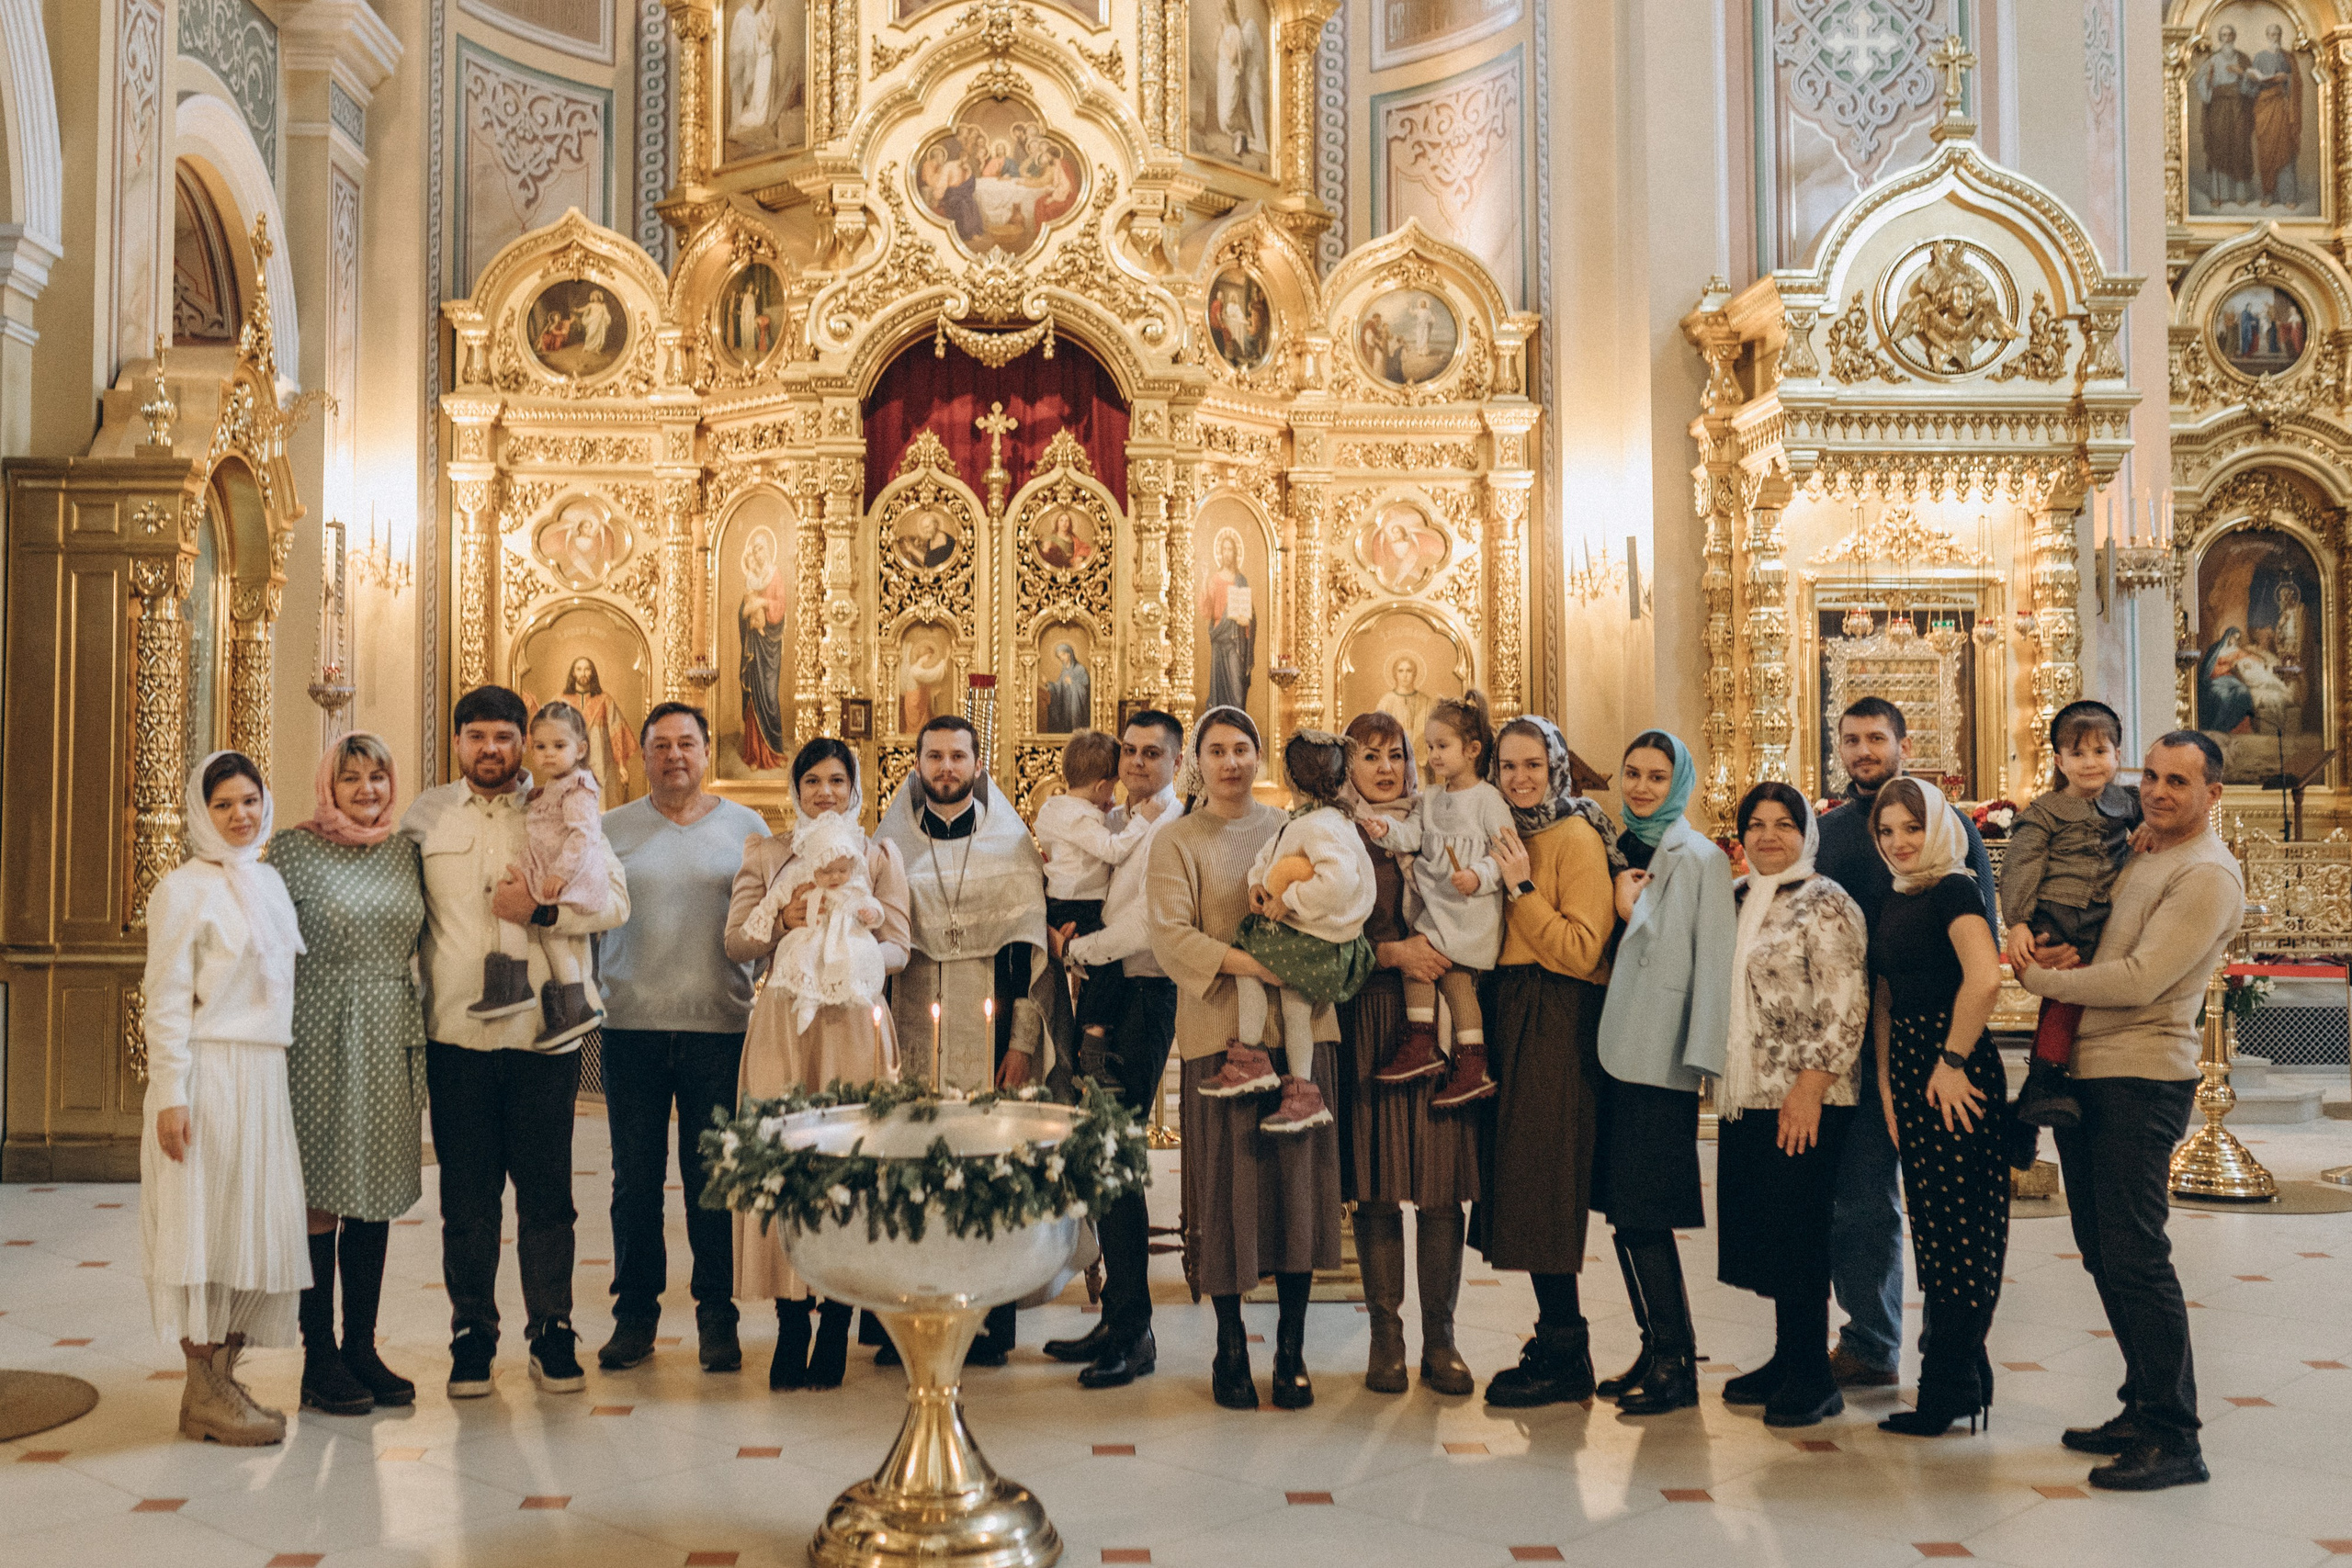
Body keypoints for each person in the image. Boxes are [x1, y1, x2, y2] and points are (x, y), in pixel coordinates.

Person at [2017, 731, 2245, 1492]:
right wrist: (2058, 962)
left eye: (2179, 781)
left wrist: (2039, 983)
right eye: (2150, 775)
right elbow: (2098, 940)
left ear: (2213, 794)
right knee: (2102, 1247)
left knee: (2136, 1253)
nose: (2157, 790)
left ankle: (2176, 1435)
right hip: (2093, 1067)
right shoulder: (2144, 850)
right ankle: (2141, 1403)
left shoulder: (2208, 873)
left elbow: (2143, 978)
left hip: (2142, 1076)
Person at [403, 684, 631, 1399]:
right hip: (458, 1037)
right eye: (478, 736)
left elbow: (615, 902)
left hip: (543, 1039)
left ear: (523, 743)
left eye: (505, 736)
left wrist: (540, 911)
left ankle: (553, 1328)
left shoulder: (565, 802)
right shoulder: (426, 816)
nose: (492, 749)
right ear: (459, 742)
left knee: (547, 1194)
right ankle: (472, 1331)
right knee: (467, 1199)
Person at [1148, 707, 1344, 1411]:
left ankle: (1291, 1348)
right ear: (1196, 761)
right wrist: (1257, 964)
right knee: (1227, 1194)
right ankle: (1229, 1344)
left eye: (1243, 749)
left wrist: (1295, 960)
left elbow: (1335, 904)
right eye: (1217, 750)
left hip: (1300, 1037)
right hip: (1218, 1038)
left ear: (1260, 757)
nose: (1231, 761)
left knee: (1298, 1190)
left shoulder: (1294, 829)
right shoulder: (1177, 841)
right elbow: (1173, 937)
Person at [1814, 695, 1998, 1392]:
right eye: (1852, 739)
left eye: (1876, 738)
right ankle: (1870, 1339)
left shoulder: (1949, 829)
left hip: (1934, 1047)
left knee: (1946, 1214)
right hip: (1853, 1041)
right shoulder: (1828, 831)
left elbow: (1976, 941)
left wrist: (1953, 1051)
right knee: (1859, 1200)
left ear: (1902, 741)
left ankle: (1953, 1367)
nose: (1864, 750)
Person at [728, 739, 913, 1388]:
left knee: (850, 1162)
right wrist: (785, 917)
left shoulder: (879, 855)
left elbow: (900, 945)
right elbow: (735, 941)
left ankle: (836, 1319)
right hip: (785, 1021)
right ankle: (790, 1322)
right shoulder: (767, 853)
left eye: (838, 779)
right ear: (796, 787)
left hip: (855, 1020)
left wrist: (853, 940)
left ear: (855, 787)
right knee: (785, 1162)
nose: (826, 791)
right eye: (813, 780)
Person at [874, 715, 1060, 1364]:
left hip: (989, 1042)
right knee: (909, 1167)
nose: (946, 767)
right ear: (917, 764)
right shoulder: (889, 846)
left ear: (978, 767)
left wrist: (1022, 1044)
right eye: (935, 756)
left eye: (958, 756)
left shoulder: (1011, 849)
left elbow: (1027, 963)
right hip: (909, 1033)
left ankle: (987, 1324)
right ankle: (903, 1324)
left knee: (988, 1171)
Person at [141, 752, 311, 1446]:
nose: (239, 814)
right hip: (208, 1077)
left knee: (254, 1228)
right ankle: (203, 1391)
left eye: (249, 800)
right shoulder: (181, 890)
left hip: (263, 1078)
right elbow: (165, 1002)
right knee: (204, 1230)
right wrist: (171, 1093)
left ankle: (217, 1380)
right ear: (200, 811)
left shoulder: (269, 881)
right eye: (223, 804)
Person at [595, 703, 768, 1375]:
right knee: (634, 1179)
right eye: (661, 744)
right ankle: (635, 1315)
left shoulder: (745, 827)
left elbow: (764, 913)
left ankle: (716, 1316)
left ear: (705, 752)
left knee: (713, 1181)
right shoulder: (611, 828)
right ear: (642, 754)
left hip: (718, 1027)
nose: (675, 755)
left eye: (687, 742)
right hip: (631, 1024)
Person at [271, 733, 428, 1417]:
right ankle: (318, 1355)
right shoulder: (293, 850)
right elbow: (266, 949)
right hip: (317, 1027)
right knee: (321, 1194)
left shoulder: (404, 850)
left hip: (391, 1024)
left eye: (377, 777)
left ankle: (361, 1344)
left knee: (376, 1188)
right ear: (326, 785)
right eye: (351, 777)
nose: (366, 789)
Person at [1473, 716, 1621, 1408]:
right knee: (1520, 1182)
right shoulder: (1508, 833)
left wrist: (1523, 890)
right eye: (1509, 766)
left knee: (1545, 1180)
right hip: (1508, 1008)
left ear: (1557, 766)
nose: (1521, 777)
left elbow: (1582, 949)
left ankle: (1567, 1351)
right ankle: (1554, 1335)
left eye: (1534, 765)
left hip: (1555, 1015)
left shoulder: (1574, 836)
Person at [1713, 784, 1871, 1428]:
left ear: (1807, 832)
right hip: (1749, 1089)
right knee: (1771, 1229)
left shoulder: (1826, 901)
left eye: (1784, 823)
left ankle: (1813, 1373)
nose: (1769, 835)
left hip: (1806, 1094)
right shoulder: (1741, 897)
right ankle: (1786, 1356)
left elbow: (1846, 1002)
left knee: (1802, 1230)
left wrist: (1810, 1087)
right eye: (1757, 824)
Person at [1041, 712, 1188, 1390]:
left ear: (1175, 761)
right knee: (1098, 1147)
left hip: (1142, 994)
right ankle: (1118, 1315)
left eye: (1151, 752)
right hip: (1106, 991)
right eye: (1128, 750)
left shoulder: (1169, 825)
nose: (1136, 760)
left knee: (1117, 1152)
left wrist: (1077, 948)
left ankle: (1135, 1331)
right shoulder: (1116, 822)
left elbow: (1148, 921)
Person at [1590, 729, 1733, 1416]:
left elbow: (1714, 960)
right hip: (1611, 1051)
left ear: (1679, 782)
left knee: (1647, 1211)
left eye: (1656, 775)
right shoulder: (1613, 847)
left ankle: (1679, 1363)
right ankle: (1653, 1345)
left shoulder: (1699, 857)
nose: (1643, 786)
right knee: (1623, 1210)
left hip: (1661, 1053)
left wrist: (1704, 1061)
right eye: (1633, 773)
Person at [1866, 775, 2010, 1438]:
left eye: (1911, 828)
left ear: (1939, 828)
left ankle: (1949, 1387)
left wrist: (1951, 1061)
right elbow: (1887, 1000)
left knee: (1960, 1234)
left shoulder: (1953, 886)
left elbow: (1985, 976)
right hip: (1917, 1076)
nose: (1898, 842)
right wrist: (1895, 1092)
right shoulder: (1898, 896)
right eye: (1887, 830)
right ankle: (1965, 1375)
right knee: (1935, 1229)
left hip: (1955, 1072)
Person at [1205, 729, 1376, 1134]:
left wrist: (1291, 900)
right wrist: (1255, 885)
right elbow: (1269, 856)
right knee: (1295, 1011)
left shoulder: (1322, 826)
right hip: (1314, 939)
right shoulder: (1308, 821)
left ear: (1290, 777)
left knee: (1247, 959)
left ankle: (1251, 1058)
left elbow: (1337, 882)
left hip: (1318, 939)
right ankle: (1304, 1093)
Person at [2001, 702, 2138, 1130]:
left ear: (2118, 755)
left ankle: (2035, 1095)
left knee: (2073, 994)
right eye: (2078, 754)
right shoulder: (2045, 811)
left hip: (2103, 912)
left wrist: (2150, 829)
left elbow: (2154, 827)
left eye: (2101, 752)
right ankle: (2045, 1079)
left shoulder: (2128, 803)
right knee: (2067, 991)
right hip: (2060, 911)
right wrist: (2019, 922)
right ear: (2060, 762)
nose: (2091, 763)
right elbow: (2021, 864)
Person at [1371, 694, 1511, 1107]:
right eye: (1428, 747)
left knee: (1435, 972)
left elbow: (1505, 855)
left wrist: (1479, 875)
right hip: (1440, 906)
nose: (1432, 756)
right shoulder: (1430, 798)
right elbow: (1412, 835)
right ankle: (1456, 1056)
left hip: (1470, 912)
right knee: (1442, 974)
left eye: (1442, 746)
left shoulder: (1488, 799)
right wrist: (1386, 831)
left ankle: (1436, 1048)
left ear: (1472, 750)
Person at [466, 702, 613, 1048]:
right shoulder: (558, 786)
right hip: (549, 869)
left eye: (559, 747)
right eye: (541, 747)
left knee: (513, 915)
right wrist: (540, 794)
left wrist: (561, 874)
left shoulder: (578, 789)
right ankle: (573, 1004)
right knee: (551, 939)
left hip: (563, 874)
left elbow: (582, 834)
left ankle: (516, 988)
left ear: (581, 749)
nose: (548, 755)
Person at [1035, 729, 1158, 1068]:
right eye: (1113, 787)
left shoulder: (1053, 809)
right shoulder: (1082, 816)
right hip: (1078, 903)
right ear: (1103, 785)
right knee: (1108, 969)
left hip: (1059, 901)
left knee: (1094, 974)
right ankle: (1092, 1042)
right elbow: (1113, 850)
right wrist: (1143, 822)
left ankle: (1084, 1044)